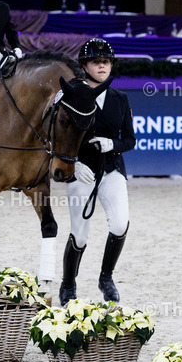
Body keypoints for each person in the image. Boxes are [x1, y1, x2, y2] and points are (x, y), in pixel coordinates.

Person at [59, 38, 136, 305]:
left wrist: (112, 143)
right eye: (96, 61)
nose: (102, 66)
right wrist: (73, 164)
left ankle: (106, 277)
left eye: (106, 61)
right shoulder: (70, 93)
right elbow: (58, 136)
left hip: (112, 167)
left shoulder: (120, 98)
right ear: (84, 65)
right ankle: (68, 284)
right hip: (81, 169)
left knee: (120, 224)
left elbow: (130, 139)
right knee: (79, 234)